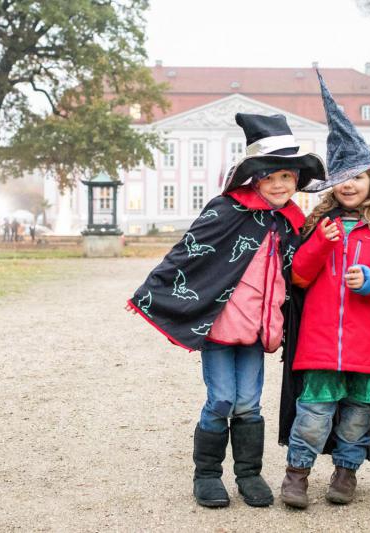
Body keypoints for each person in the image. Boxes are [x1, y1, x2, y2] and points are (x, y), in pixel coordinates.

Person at [127, 113, 325, 509]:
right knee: (221, 399)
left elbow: (303, 270)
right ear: (256, 178)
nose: (280, 184)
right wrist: (154, 293)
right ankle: (207, 476)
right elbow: (188, 254)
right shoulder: (228, 209)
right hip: (220, 326)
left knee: (249, 401)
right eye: (271, 177)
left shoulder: (292, 220)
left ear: (296, 181)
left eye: (287, 177)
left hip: (258, 330)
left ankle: (249, 475)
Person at [278, 71, 370, 509]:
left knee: (358, 415)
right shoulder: (317, 227)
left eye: (358, 175)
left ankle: (345, 473)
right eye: (341, 175)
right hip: (320, 345)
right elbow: (297, 278)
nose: (349, 183)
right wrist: (320, 242)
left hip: (369, 348)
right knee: (313, 413)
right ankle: (297, 476)